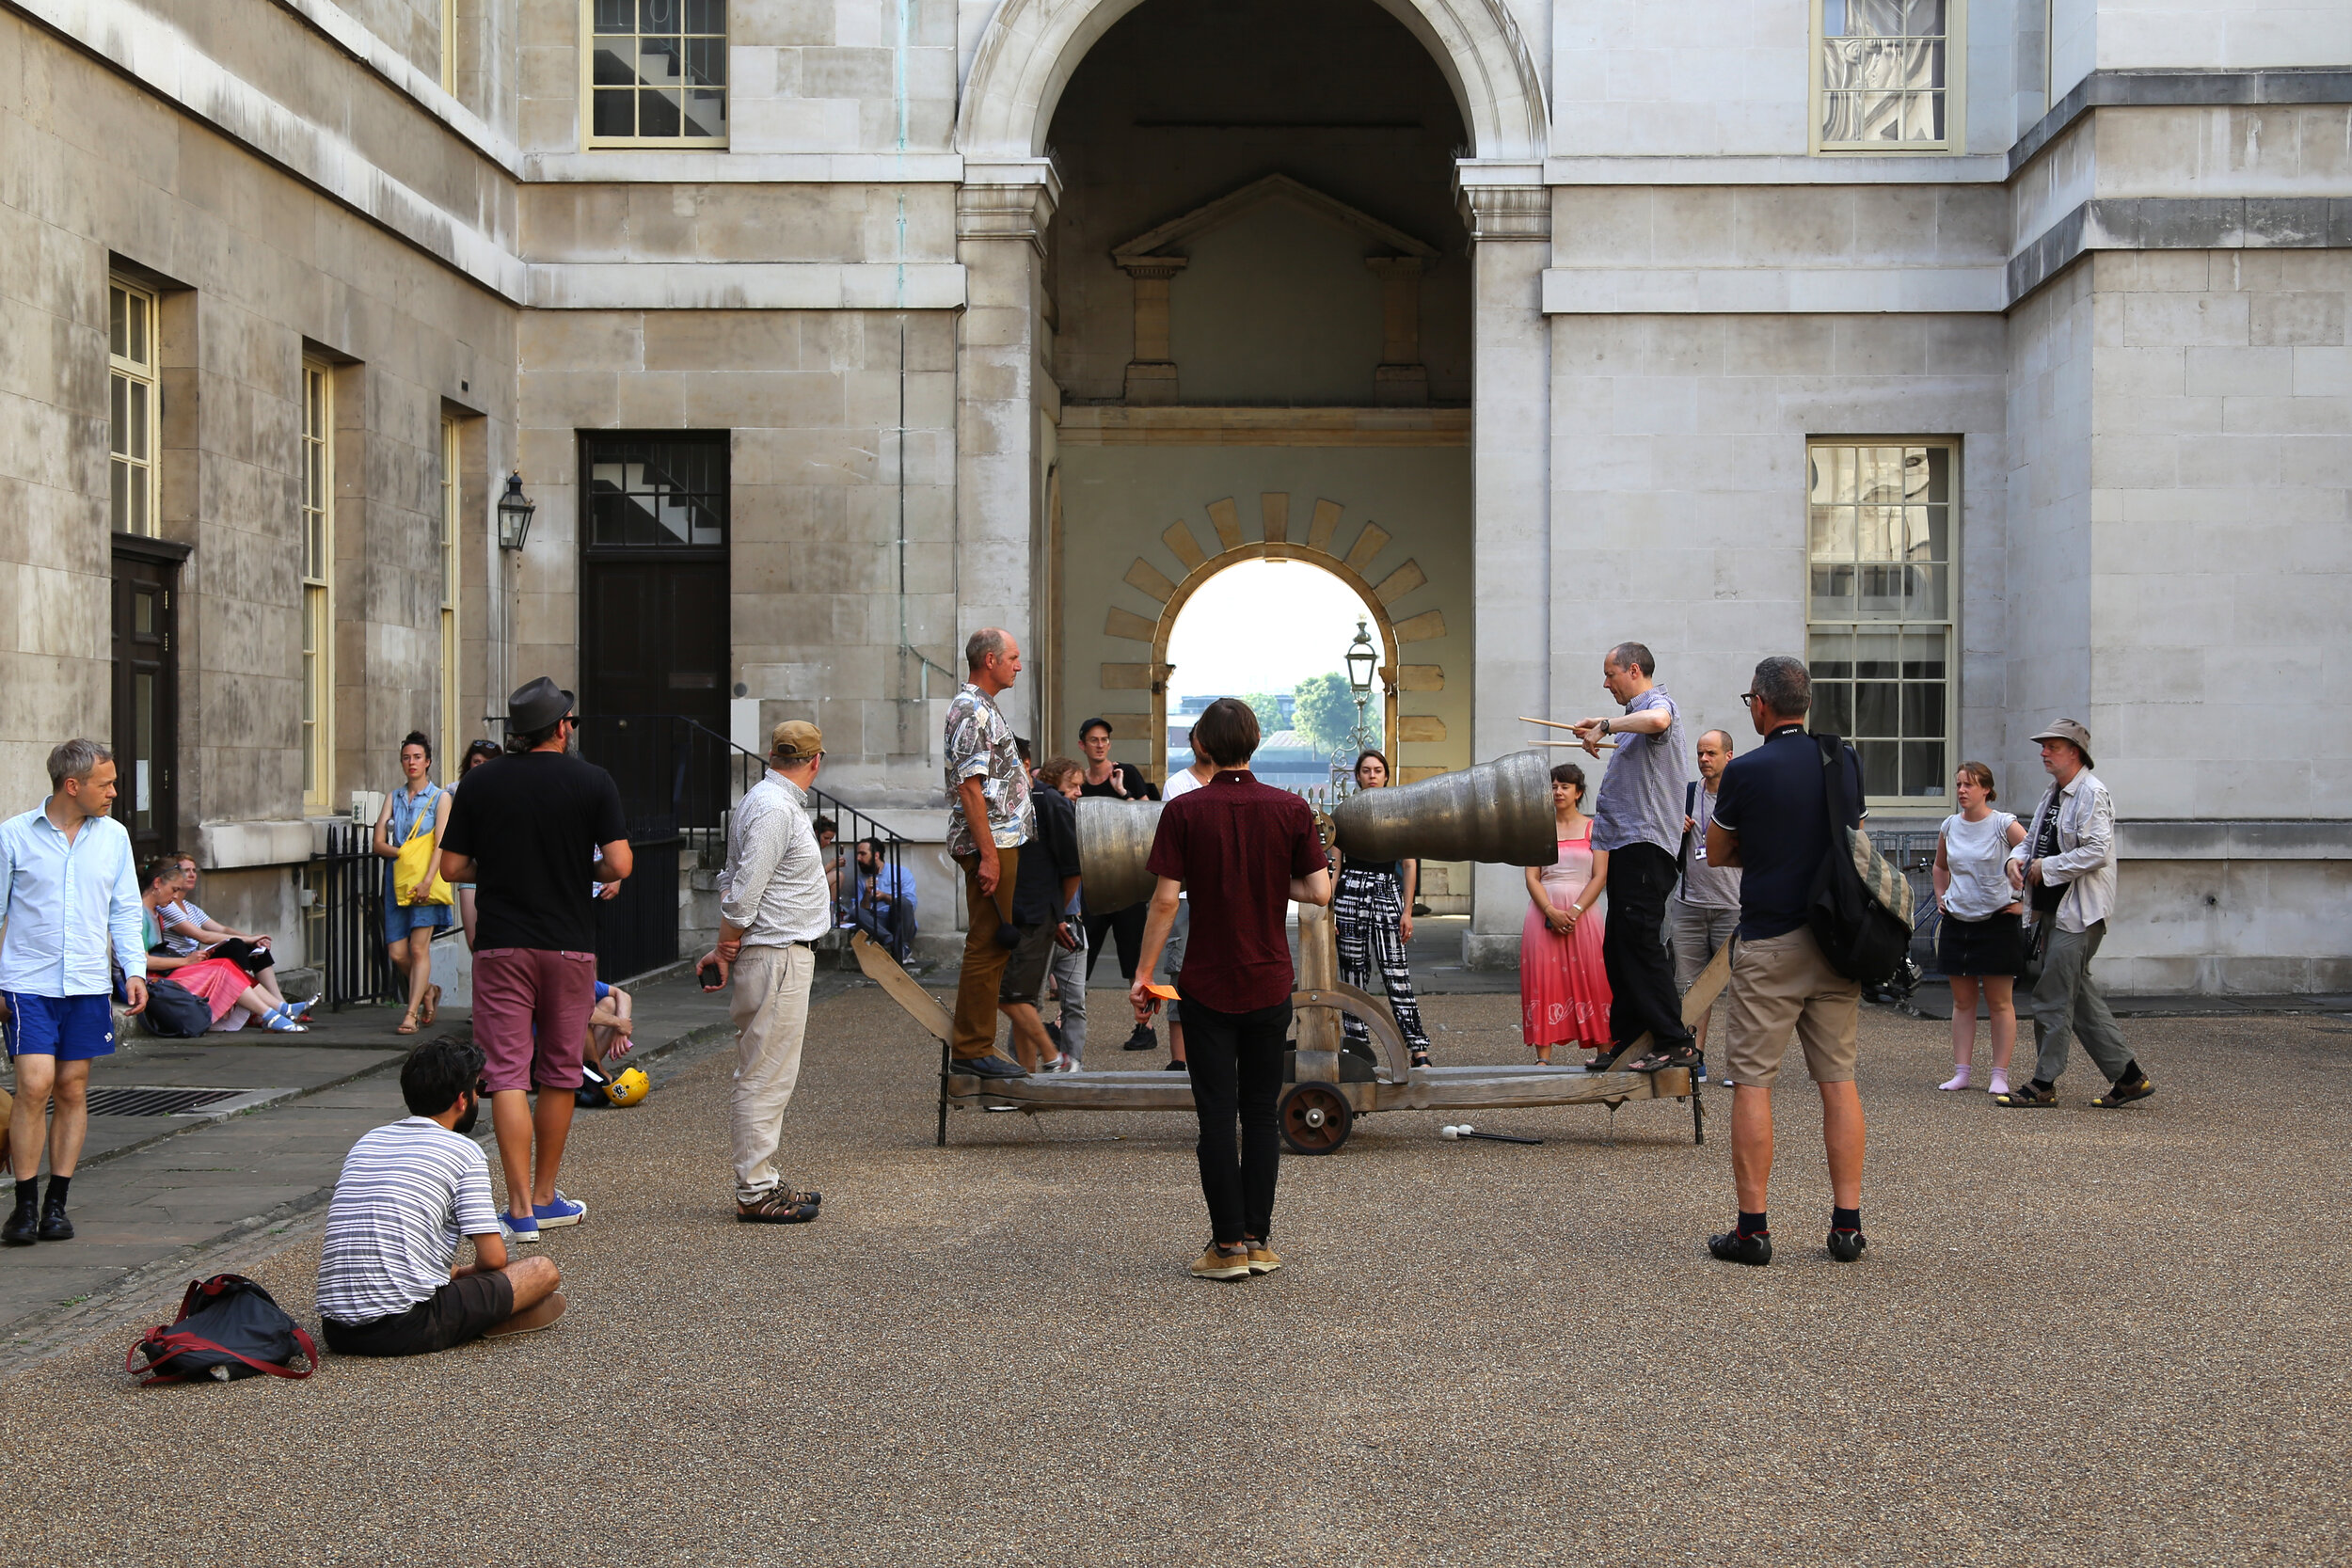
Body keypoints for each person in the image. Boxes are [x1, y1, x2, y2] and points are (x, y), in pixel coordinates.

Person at [1131, 699, 1332, 1282]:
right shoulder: (1291, 807)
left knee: (1217, 1117)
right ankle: (1257, 1239)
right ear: (1256, 741)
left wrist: (1144, 975)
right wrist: (1272, 882)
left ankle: (1226, 1246)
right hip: (1270, 977)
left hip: (1209, 982)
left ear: (1202, 746)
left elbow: (1166, 900)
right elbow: (1318, 892)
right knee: (1263, 1116)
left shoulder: (1186, 811)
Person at [437, 677, 631, 1242]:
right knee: (559, 1073)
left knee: (505, 1076)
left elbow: (451, 868)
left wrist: (498, 871)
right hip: (568, 944)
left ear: (518, 734)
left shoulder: (481, 782)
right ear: (564, 726)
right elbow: (619, 864)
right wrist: (581, 872)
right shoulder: (592, 782)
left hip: (501, 944)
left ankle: (518, 1208)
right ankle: (547, 1196)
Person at [1704, 657, 1868, 1267]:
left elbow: (1718, 851)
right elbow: (1850, 838)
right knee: (1838, 1079)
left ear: (1762, 707)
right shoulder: (1841, 760)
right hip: (1835, 938)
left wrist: (1765, 845)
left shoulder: (1746, 770)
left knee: (1752, 1082)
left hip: (1771, 939)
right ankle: (1846, 1225)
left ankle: (1753, 1229)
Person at [315, 1040, 565, 1355]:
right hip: (405, 1326)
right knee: (542, 1270)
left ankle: (478, 1309)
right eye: (478, 1089)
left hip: (336, 1331)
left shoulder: (369, 1140)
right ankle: (484, 1318)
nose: (478, 1097)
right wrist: (463, 1274)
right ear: (462, 1100)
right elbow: (493, 1258)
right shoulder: (464, 1151)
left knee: (448, 1274)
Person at [0, 739, 148, 1246]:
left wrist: (134, 968)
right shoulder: (13, 836)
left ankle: (56, 1204)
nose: (113, 792)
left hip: (85, 981)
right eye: (105, 784)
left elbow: (126, 909)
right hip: (27, 982)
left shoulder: (114, 838)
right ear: (72, 786)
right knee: (34, 1083)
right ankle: (22, 1205)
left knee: (72, 1089)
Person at [699, 720, 832, 1222]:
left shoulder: (762, 800)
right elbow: (744, 891)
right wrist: (725, 945)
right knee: (765, 1075)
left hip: (775, 951)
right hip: (776, 953)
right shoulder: (776, 808)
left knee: (767, 1070)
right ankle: (754, 1189)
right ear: (816, 761)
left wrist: (725, 947)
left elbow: (735, 881)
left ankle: (763, 1178)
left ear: (773, 755)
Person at [1993, 721, 2153, 1111]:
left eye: (2052, 746)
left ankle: (2043, 1084)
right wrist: (2016, 860)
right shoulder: (2055, 793)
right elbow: (2032, 841)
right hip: (2053, 910)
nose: (2044, 752)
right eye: (2043, 746)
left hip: (2080, 914)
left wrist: (2045, 869)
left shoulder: (2092, 794)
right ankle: (2130, 1078)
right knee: (2077, 996)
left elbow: (2098, 850)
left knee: (2051, 994)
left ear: (2075, 752)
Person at [1570, 641, 1697, 1073]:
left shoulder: (1659, 705)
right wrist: (1608, 727)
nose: (1606, 683)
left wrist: (1606, 725)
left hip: (1645, 848)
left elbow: (1658, 719)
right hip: (1628, 846)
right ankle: (1626, 1041)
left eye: (1611, 674)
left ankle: (1676, 1042)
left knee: (1640, 943)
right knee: (1618, 947)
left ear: (1634, 670)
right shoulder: (1630, 722)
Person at [943, 629, 1033, 1080]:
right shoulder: (972, 710)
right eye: (1014, 658)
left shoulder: (980, 707)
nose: (1019, 666)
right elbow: (970, 789)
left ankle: (976, 1043)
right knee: (988, 942)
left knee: (993, 943)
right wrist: (989, 856)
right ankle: (973, 1048)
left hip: (998, 840)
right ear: (991, 659)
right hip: (990, 842)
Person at [1331, 749, 1434, 1069]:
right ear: (1357, 776)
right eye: (1366, 770)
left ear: (1386, 775)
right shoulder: (1344, 813)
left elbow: (1409, 863)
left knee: (1396, 972)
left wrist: (1406, 910)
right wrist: (1330, 908)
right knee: (1352, 975)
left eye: (1377, 770)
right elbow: (1335, 863)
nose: (1372, 775)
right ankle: (1356, 1048)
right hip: (1350, 893)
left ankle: (1418, 1048)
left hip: (1386, 890)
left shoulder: (1400, 812)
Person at [1932, 762, 2027, 1096]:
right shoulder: (1949, 826)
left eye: (1969, 785)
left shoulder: (2004, 824)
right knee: (1962, 1002)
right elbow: (1940, 866)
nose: (1961, 791)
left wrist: (2023, 902)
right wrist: (1942, 896)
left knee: (2000, 1002)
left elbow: (2031, 856)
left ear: (1986, 789)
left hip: (1998, 922)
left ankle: (1999, 1074)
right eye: (1958, 784)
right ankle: (1962, 1072)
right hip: (1959, 922)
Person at [1519, 763, 1612, 1068]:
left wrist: (1573, 911)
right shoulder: (1538, 829)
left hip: (1583, 914)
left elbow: (1599, 876)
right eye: (1554, 786)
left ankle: (1604, 1049)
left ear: (1579, 792)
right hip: (1543, 911)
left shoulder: (1594, 827)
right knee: (1543, 980)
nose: (1558, 791)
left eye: (1565, 786)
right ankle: (1543, 1057)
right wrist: (1550, 910)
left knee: (1593, 978)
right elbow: (1532, 876)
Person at [1000, 752, 1083, 1074]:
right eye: (1073, 785)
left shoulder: (1048, 803)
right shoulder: (1042, 801)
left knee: (1011, 996)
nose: (1078, 793)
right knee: (1018, 996)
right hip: (1028, 913)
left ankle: (1053, 1059)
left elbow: (1072, 869)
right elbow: (1070, 868)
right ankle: (1028, 1074)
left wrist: (1059, 915)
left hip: (1034, 914)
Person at [151, 852, 304, 1018]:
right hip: (184, 962)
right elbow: (203, 936)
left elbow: (222, 930)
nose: (192, 875)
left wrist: (253, 939)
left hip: (194, 959)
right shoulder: (167, 906)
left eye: (194, 870)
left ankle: (281, 1004)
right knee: (236, 946)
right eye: (186, 870)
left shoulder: (190, 907)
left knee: (253, 946)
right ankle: (259, 1011)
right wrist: (246, 939)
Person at [1671, 730, 1742, 1074]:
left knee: (1742, 990)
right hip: (1690, 906)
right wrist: (1675, 830)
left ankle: (1738, 1065)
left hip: (1734, 906)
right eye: (1700, 753)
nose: (1703, 760)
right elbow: (1666, 849)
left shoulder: (1743, 796)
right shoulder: (1685, 795)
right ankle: (1693, 1056)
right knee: (1690, 986)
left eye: (1711, 753)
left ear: (1729, 755)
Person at [373, 732, 453, 1036]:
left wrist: (428, 879)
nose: (411, 763)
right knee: (397, 953)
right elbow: (378, 843)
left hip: (427, 881)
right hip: (397, 881)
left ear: (428, 761)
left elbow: (441, 844)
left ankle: (411, 1013)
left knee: (419, 949)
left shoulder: (440, 798)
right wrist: (403, 852)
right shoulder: (392, 797)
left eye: (417, 757)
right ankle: (428, 990)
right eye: (407, 757)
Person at [1037, 758, 1091, 1069]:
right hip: (1049, 923)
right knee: (1029, 1002)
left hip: (1071, 923)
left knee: (1075, 1003)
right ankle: (1020, 1067)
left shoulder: (1071, 818)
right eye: (1073, 786)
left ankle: (1074, 1066)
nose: (1078, 792)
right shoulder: (1050, 819)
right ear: (1055, 783)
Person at [452, 738, 501, 949]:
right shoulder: (455, 792)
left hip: (501, 874)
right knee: (474, 943)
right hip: (470, 872)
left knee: (499, 942)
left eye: (488, 762)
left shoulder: (508, 792)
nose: (481, 767)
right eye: (477, 761)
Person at [843, 837, 918, 960]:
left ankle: (900, 943)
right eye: (858, 854)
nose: (858, 858)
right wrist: (867, 894)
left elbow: (911, 904)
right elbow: (861, 910)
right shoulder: (862, 879)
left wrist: (885, 897)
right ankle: (895, 944)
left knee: (903, 902)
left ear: (876, 855)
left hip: (898, 920)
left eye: (862, 854)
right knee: (854, 912)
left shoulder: (901, 873)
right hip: (877, 923)